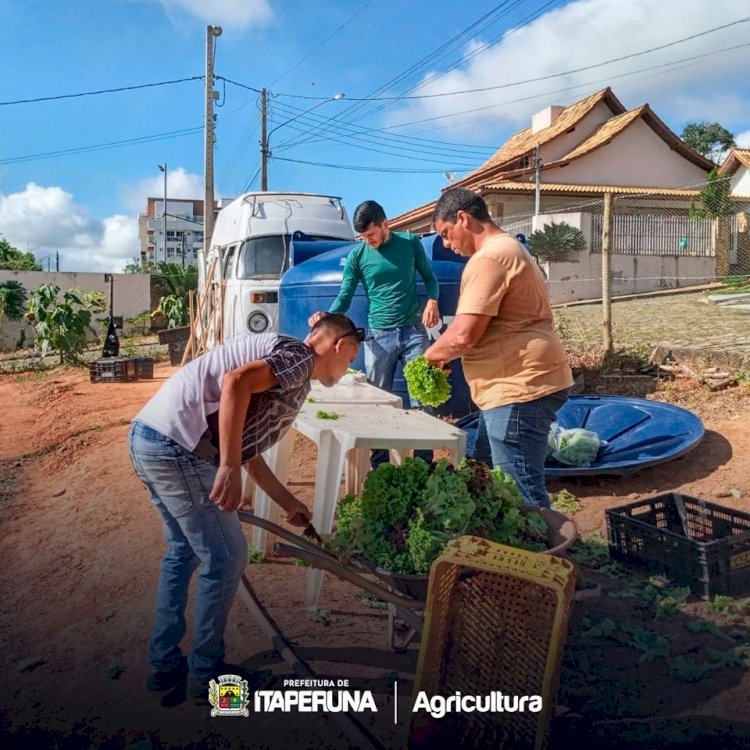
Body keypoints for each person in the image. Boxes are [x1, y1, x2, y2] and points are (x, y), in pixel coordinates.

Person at [128, 314, 363, 702]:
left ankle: (163, 667)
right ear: (341, 344)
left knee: (183, 553)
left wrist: (288, 503)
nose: (350, 366)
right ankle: (206, 676)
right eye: (352, 358)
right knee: (227, 557)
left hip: (151, 437)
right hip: (178, 447)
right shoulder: (299, 357)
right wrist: (226, 467)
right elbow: (234, 383)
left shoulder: (289, 370)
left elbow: (244, 446)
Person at [423, 188, 572, 508]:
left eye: (446, 234)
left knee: (521, 492)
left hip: (519, 388)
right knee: (483, 471)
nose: (447, 244)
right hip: (512, 386)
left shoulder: (490, 257)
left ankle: (545, 554)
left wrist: (431, 356)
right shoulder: (510, 249)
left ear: (463, 218)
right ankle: (503, 549)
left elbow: (464, 335)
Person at [308, 200, 441, 467]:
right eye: (363, 237)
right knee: (378, 401)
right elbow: (345, 296)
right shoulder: (358, 257)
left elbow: (430, 278)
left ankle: (424, 465)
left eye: (371, 235)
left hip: (414, 332)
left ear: (385, 224)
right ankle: (380, 464)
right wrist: (328, 317)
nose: (368, 240)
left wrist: (433, 300)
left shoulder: (410, 244)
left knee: (423, 399)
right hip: (379, 336)